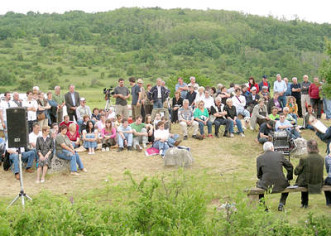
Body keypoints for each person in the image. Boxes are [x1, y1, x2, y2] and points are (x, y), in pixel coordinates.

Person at [256, 142, 293, 211]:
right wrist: (289, 178)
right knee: (287, 185)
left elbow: (259, 174)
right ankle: (281, 203)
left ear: (264, 149)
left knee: (258, 186)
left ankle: (264, 206)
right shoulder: (279, 155)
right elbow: (290, 166)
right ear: (272, 148)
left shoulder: (259, 158)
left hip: (266, 184)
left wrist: (262, 179)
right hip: (281, 183)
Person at [294, 140, 324, 208]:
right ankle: (305, 203)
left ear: (308, 147)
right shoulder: (321, 158)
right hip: (318, 182)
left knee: (304, 179)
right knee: (306, 176)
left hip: (306, 183)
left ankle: (304, 203)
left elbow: (296, 172)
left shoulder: (304, 158)